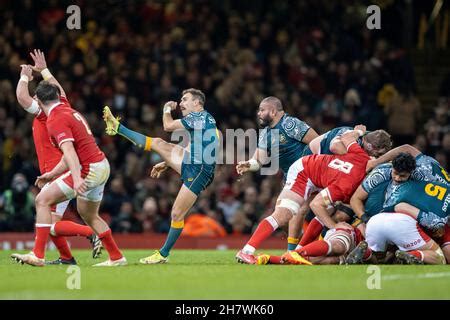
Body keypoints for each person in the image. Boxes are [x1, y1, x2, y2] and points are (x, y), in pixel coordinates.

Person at [11, 49, 125, 267]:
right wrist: (44, 70)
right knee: (87, 215)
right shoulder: (64, 106)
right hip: (100, 165)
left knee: (42, 202)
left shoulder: (51, 118)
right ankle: (116, 257)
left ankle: (38, 255)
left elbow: (69, 152)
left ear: (40, 100)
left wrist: (25, 75)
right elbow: (58, 89)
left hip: (84, 169)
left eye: (37, 98)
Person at [103, 88, 219, 264]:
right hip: (196, 164)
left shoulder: (198, 117)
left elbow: (168, 126)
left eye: (185, 99)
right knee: (157, 143)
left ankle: (163, 254)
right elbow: (201, 147)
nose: (181, 103)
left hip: (198, 171)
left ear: (197, 103)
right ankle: (117, 127)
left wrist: (166, 109)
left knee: (176, 214)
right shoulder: (207, 119)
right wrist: (168, 163)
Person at [235, 130, 370, 264]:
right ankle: (247, 251)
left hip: (322, 172)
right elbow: (324, 144)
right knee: (285, 214)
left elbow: (323, 142)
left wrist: (357, 133)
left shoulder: (355, 147)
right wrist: (334, 227)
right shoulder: (354, 150)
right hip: (306, 170)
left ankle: (295, 252)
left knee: (327, 210)